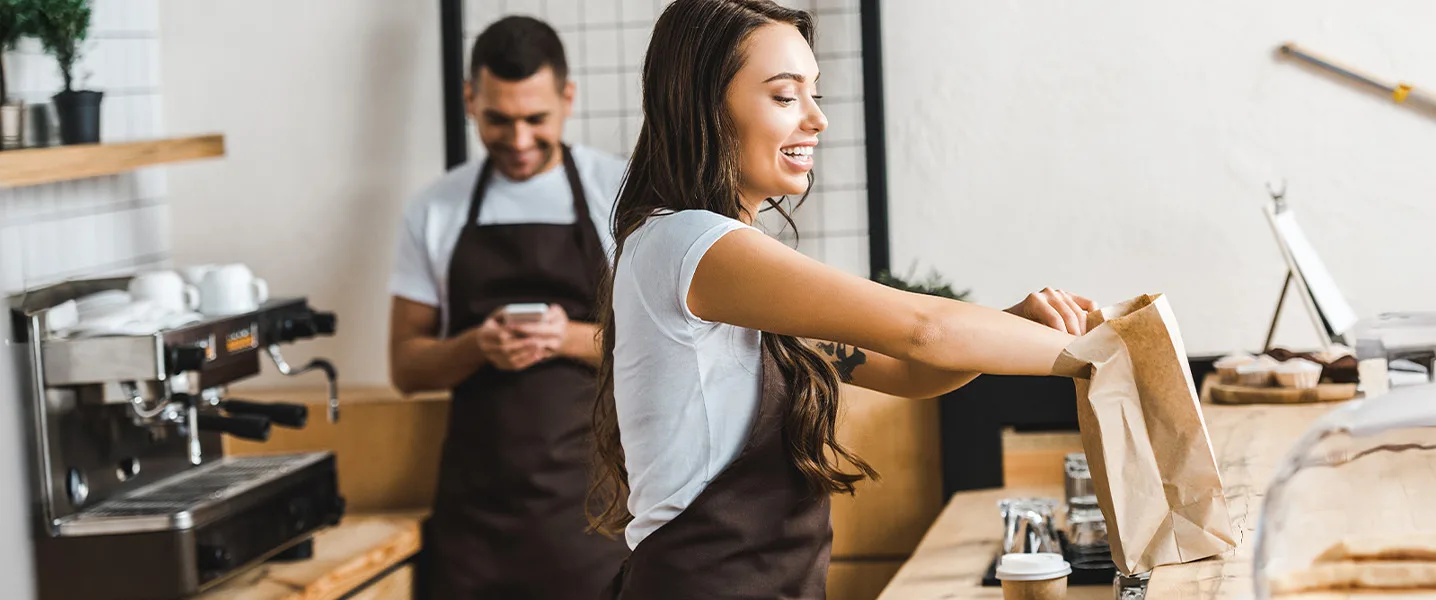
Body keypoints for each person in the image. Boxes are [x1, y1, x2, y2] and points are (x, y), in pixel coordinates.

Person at [588, 1, 1095, 597]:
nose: (816, 120)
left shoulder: (725, 266)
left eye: (815, 94)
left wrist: (1015, 325)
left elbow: (911, 370)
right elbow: (922, 329)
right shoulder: (688, 243)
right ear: (703, 105)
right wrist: (1098, 352)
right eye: (784, 97)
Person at [386, 15, 629, 599]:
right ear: (470, 101)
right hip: (474, 528)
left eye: (535, 119)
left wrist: (563, 336)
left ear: (567, 99)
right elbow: (406, 367)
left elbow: (663, 347)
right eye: (498, 119)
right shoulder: (435, 209)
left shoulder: (618, 193)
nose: (519, 141)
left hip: (592, 519)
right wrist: (476, 345)